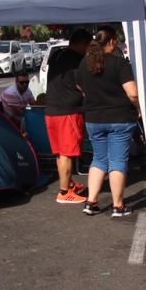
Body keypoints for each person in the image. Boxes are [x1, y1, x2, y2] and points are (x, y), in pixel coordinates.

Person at [76, 26, 139, 217]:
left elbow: (80, 86)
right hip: (120, 118)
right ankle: (118, 205)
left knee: (99, 159)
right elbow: (133, 93)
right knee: (117, 161)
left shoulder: (84, 64)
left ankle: (91, 202)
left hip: (94, 119)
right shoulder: (120, 64)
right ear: (111, 41)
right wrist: (138, 108)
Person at [45, 28, 90, 204]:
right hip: (68, 111)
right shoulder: (78, 60)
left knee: (60, 153)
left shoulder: (57, 55)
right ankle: (64, 192)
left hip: (51, 109)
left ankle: (69, 184)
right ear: (83, 44)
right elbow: (82, 85)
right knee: (67, 153)